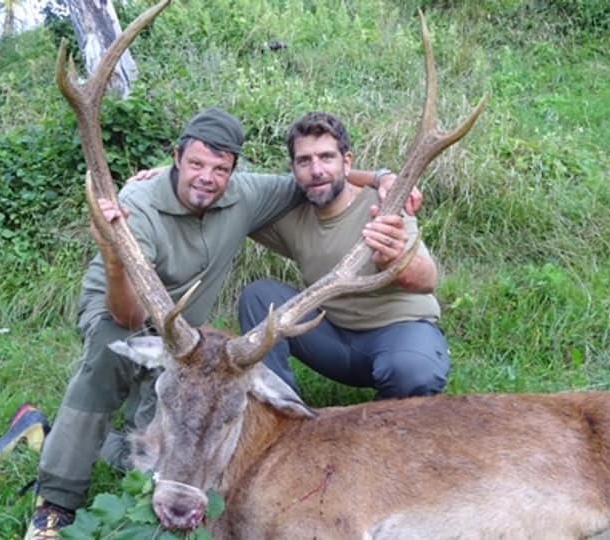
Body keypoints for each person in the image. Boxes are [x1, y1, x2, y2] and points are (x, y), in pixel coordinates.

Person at [25, 108, 393, 539]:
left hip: (183, 335)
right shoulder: (138, 205)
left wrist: (379, 177)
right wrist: (112, 260)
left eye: (220, 169)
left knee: (156, 444)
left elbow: (313, 179)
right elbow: (131, 316)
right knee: (111, 359)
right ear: (176, 157)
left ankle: (40, 431)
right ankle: (55, 503)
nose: (207, 178)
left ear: (233, 172)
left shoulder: (244, 194)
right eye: (196, 164)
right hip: (119, 306)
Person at [239, 111, 450, 400]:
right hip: (331, 338)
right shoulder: (290, 215)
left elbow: (428, 280)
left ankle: (382, 435)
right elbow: (228, 193)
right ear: (293, 168)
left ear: (347, 161)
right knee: (259, 297)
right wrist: (177, 177)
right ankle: (279, 411)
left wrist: (395, 262)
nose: (316, 170)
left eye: (326, 157)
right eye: (304, 161)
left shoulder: (385, 204)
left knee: (414, 372)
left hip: (397, 332)